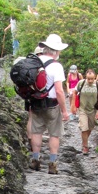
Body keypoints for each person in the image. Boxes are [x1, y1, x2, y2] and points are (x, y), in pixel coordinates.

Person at [28, 33, 69, 175]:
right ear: (56, 51)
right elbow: (59, 91)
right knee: (54, 134)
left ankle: (35, 160)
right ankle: (52, 164)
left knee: (36, 132)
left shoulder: (34, 62)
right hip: (52, 105)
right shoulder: (56, 66)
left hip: (35, 103)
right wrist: (64, 111)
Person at [71, 69, 98, 154]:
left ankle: (84, 141)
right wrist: (73, 106)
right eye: (88, 79)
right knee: (84, 128)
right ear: (86, 77)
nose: (90, 81)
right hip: (82, 109)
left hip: (92, 110)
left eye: (92, 78)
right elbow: (74, 93)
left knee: (90, 128)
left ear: (95, 77)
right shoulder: (81, 83)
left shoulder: (97, 85)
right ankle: (85, 146)